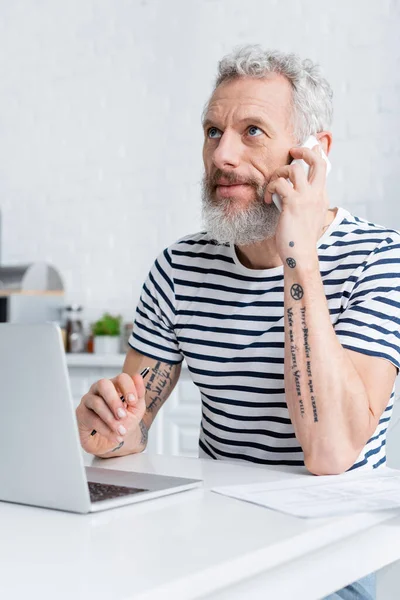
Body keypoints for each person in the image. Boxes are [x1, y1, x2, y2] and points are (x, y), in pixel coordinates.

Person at [76, 45, 399, 600]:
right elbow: (127, 432)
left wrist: (297, 250)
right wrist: (104, 427)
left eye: (252, 131)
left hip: (327, 556)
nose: (222, 155)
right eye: (211, 131)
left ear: (312, 155)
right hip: (210, 538)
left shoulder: (379, 259)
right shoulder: (180, 266)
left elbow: (331, 452)